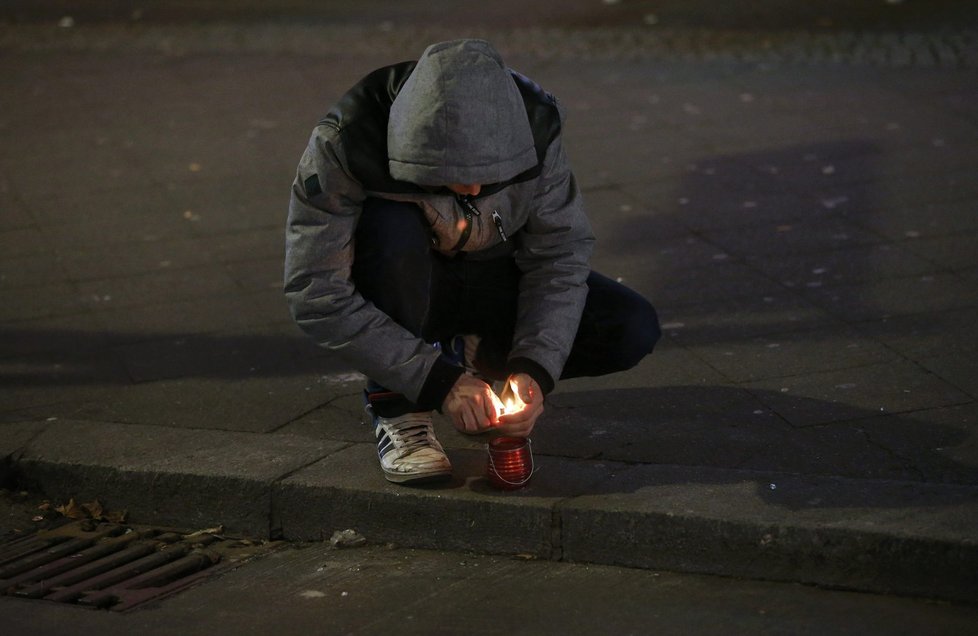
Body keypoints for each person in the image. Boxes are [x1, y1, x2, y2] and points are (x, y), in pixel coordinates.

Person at [285, 39, 659, 485]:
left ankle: (485, 363)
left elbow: (559, 256)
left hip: (493, 274)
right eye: (453, 177)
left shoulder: (536, 126)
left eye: (490, 175)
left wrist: (533, 369)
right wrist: (435, 382)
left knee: (628, 325)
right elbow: (316, 291)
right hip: (405, 283)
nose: (473, 190)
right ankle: (400, 410)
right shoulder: (347, 141)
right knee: (389, 228)